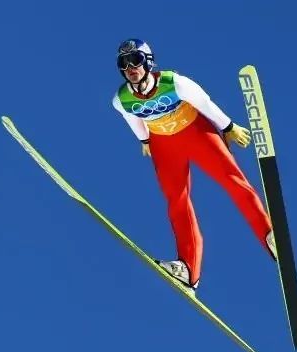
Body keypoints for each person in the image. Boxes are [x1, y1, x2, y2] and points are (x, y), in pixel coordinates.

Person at [112, 38, 277, 294]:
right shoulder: (121, 99)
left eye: (136, 60)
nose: (130, 67)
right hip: (163, 145)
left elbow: (204, 103)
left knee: (232, 180)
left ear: (148, 62)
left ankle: (269, 235)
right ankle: (188, 270)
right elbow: (133, 119)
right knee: (177, 200)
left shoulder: (174, 82)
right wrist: (145, 140)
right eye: (124, 63)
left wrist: (228, 127)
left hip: (196, 133)